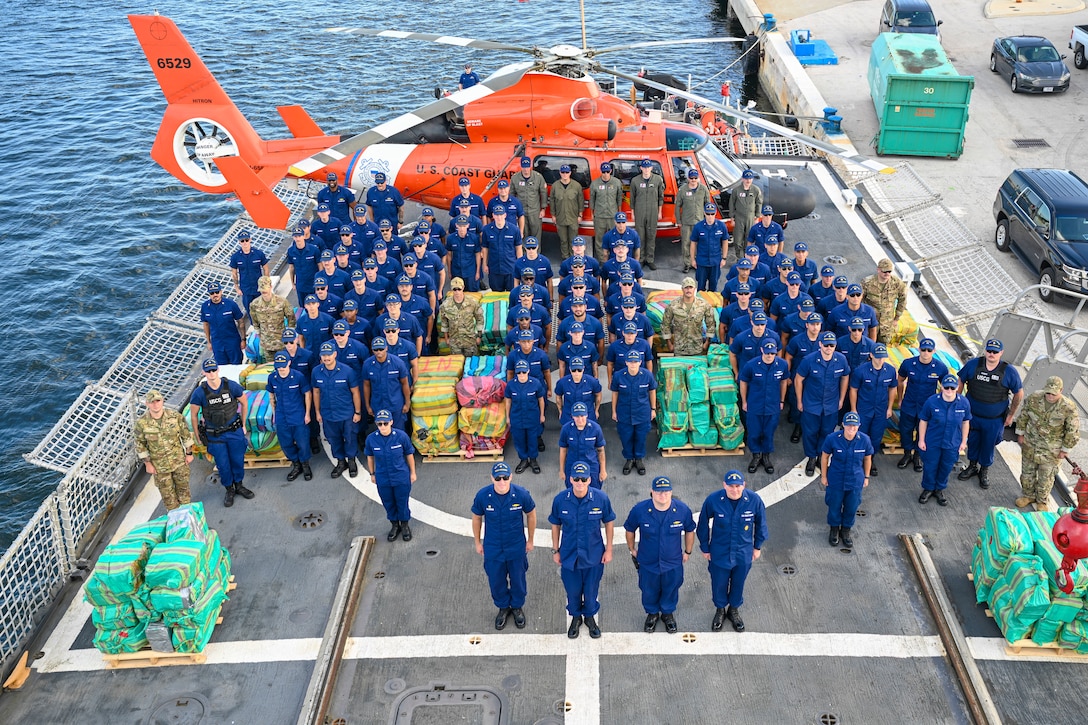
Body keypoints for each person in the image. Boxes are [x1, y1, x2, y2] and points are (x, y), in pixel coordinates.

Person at [549, 462, 616, 639]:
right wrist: (555, 550)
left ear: (589, 480)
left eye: (583, 479)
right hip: (569, 556)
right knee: (572, 590)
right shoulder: (560, 500)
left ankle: (590, 617)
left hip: (593, 555)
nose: (580, 482)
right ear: (570, 479)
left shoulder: (601, 498)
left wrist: (609, 549)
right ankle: (576, 617)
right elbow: (555, 525)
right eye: (576, 479)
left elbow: (609, 522)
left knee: (591, 589)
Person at [697, 470, 767, 633]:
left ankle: (733, 610)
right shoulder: (713, 500)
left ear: (744, 485)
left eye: (738, 486)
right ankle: (720, 610)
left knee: (738, 583)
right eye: (730, 486)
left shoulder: (754, 500)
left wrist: (757, 547)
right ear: (724, 485)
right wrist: (705, 548)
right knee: (719, 584)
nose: (734, 490)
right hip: (719, 553)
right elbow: (702, 524)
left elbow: (761, 524)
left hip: (743, 553)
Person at [624, 475, 696, 634]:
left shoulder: (682, 510)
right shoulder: (640, 510)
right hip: (648, 562)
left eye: (666, 491)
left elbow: (690, 529)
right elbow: (630, 529)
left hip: (673, 563)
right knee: (648, 589)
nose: (662, 495)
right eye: (658, 492)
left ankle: (667, 614)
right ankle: (652, 614)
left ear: (671, 492)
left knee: (671, 588)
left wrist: (688, 551)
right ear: (652, 492)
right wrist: (632, 549)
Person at [472, 462, 537, 630]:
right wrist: (477, 542)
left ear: (511, 477)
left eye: (505, 477)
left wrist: (530, 539)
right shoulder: (483, 496)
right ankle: (502, 607)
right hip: (493, 547)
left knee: (518, 579)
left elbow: (531, 514)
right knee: (496, 580)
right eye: (498, 478)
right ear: (492, 478)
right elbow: (477, 518)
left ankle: (517, 607)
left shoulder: (521, 494)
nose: (502, 482)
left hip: (516, 546)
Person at [957, 338, 1024, 490]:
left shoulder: (1009, 371)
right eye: (989, 351)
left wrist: (1011, 415)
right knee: (972, 441)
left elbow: (1018, 393)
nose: (991, 354)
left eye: (995, 352)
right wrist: (958, 405)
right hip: (972, 416)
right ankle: (972, 466)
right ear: (985, 351)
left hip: (994, 419)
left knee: (988, 444)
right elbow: (960, 381)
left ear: (1001, 353)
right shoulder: (973, 364)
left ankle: (984, 470)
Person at [189, 359, 253, 507]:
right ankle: (229, 489)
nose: (211, 373)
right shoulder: (199, 393)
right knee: (223, 465)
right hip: (215, 436)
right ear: (204, 373)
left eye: (213, 370)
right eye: (208, 371)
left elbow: (244, 403)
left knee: (237, 460)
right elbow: (194, 415)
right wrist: (197, 435)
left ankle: (239, 485)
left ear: (218, 370)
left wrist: (243, 424)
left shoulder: (230, 386)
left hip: (234, 431)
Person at [1015, 376, 1080, 510]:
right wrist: (1020, 433)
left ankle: (1042, 500)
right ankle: (1028, 495)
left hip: (1051, 450)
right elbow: (1024, 416)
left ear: (1061, 390)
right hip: (1031, 444)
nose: (1050, 396)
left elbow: (1072, 431)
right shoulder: (1034, 398)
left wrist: (1065, 449)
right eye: (1048, 393)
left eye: (1053, 393)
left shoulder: (1068, 407)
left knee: (1046, 477)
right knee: (1027, 473)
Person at [794, 332, 850, 476]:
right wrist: (800, 401)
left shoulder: (841, 360)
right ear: (820, 344)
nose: (828, 348)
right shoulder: (809, 360)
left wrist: (841, 399)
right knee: (810, 433)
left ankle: (821, 456)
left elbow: (845, 377)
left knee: (827, 433)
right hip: (811, 405)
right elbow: (798, 379)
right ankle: (811, 458)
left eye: (832, 345)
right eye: (826, 345)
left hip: (830, 406)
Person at [134, 389, 194, 511]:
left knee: (184, 494)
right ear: (147, 404)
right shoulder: (142, 423)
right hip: (160, 467)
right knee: (169, 499)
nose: (155, 404)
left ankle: (187, 522)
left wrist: (189, 453)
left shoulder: (175, 417)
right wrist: (148, 464)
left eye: (158, 401)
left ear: (163, 401)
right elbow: (140, 445)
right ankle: (175, 524)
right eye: (152, 402)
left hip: (179, 462)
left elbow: (186, 436)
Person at [918, 374, 972, 506]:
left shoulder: (964, 403)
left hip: (952, 442)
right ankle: (928, 488)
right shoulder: (931, 402)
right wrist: (921, 440)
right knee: (930, 466)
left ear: (957, 388)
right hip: (933, 441)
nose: (949, 391)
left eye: (952, 388)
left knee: (946, 466)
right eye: (946, 388)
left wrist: (964, 441)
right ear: (941, 387)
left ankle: (939, 489)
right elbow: (923, 421)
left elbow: (965, 422)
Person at [821, 412, 873, 548]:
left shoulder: (865, 440)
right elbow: (825, 457)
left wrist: (866, 477)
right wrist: (824, 476)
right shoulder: (832, 439)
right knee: (834, 506)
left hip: (855, 481)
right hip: (836, 480)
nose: (851, 428)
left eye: (854, 426)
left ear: (859, 426)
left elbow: (868, 459)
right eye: (849, 425)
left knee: (851, 507)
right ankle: (834, 530)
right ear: (843, 425)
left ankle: (846, 531)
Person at [896, 338, 948, 472]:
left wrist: (940, 405)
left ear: (934, 351)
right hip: (909, 404)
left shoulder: (940, 368)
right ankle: (907, 454)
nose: (926, 353)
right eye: (923, 349)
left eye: (929, 350)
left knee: (923, 432)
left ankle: (918, 456)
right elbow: (900, 380)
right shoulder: (908, 364)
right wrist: (900, 399)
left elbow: (946, 387)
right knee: (905, 430)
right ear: (919, 349)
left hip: (927, 407)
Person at [312, 341, 362, 478]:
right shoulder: (316, 372)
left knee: (350, 438)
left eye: (329, 355)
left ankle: (351, 461)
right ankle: (341, 462)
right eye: (323, 355)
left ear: (335, 354)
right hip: (328, 414)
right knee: (333, 439)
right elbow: (316, 392)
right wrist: (317, 411)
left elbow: (355, 392)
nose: (326, 358)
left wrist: (357, 412)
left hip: (346, 413)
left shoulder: (347, 371)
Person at [739, 339, 790, 475]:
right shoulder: (751, 365)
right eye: (767, 353)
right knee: (754, 432)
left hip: (772, 406)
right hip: (755, 405)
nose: (769, 356)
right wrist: (744, 401)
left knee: (769, 432)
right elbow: (743, 382)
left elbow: (783, 382)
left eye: (772, 353)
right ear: (762, 350)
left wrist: (782, 401)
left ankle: (766, 456)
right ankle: (756, 455)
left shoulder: (782, 365)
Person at [365, 409, 417, 541]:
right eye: (379, 424)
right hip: (383, 478)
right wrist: (372, 474)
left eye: (385, 423)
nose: (383, 426)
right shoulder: (371, 439)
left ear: (391, 422)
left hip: (400, 476)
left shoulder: (401, 436)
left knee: (402, 502)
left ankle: (404, 525)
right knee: (388, 502)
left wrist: (413, 473)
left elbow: (409, 454)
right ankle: (395, 525)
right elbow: (370, 457)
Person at [848, 343, 897, 476]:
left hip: (880, 410)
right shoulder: (860, 371)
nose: (881, 360)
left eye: (883, 357)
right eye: (878, 357)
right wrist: (853, 409)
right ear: (871, 355)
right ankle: (857, 460)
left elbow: (892, 388)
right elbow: (853, 389)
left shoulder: (891, 371)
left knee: (876, 437)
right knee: (860, 435)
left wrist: (890, 407)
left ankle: (870, 459)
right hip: (864, 409)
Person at [266, 351, 313, 482]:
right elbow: (271, 395)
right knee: (285, 443)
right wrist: (275, 413)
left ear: (289, 363)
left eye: (283, 365)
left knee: (303, 443)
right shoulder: (272, 378)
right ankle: (296, 464)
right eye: (278, 366)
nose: (281, 368)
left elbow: (307, 394)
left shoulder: (298, 376)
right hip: (282, 415)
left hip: (297, 414)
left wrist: (307, 413)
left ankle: (305, 464)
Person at [611, 350, 657, 476]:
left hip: (642, 412)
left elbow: (652, 391)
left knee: (640, 437)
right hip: (624, 413)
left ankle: (639, 459)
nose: (633, 364)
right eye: (630, 361)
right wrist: (614, 411)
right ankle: (629, 459)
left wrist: (653, 409)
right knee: (626, 437)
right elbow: (615, 393)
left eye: (635, 361)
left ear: (640, 362)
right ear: (626, 362)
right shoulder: (618, 376)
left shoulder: (647, 375)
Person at [361, 337, 412, 432]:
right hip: (378, 405)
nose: (379, 351)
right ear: (372, 350)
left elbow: (405, 383)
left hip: (396, 405)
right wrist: (368, 405)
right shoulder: (367, 364)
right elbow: (366, 385)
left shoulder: (398, 363)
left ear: (386, 348)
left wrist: (407, 402)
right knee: (382, 432)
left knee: (398, 431)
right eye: (376, 349)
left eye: (381, 349)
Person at [506, 360, 547, 475]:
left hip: (532, 417)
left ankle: (533, 460)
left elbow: (541, 400)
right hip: (517, 418)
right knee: (519, 440)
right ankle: (523, 460)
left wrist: (542, 414)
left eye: (524, 372)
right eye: (519, 372)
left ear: (528, 371)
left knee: (532, 440)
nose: (522, 375)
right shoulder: (511, 384)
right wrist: (507, 417)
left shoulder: (536, 383)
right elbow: (508, 401)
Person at [661, 277, 717, 356]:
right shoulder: (673, 305)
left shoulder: (703, 304)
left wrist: (707, 342)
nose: (688, 290)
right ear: (682, 289)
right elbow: (665, 324)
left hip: (697, 347)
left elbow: (711, 324)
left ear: (694, 289)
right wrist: (669, 343)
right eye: (686, 287)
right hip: (680, 347)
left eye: (690, 287)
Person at [558, 402, 608, 489]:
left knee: (594, 489)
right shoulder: (566, 429)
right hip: (572, 464)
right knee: (572, 489)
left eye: (582, 416)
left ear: (587, 415)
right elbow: (563, 450)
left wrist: (603, 470)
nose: (580, 419)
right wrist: (562, 470)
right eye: (577, 416)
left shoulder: (595, 428)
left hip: (591, 464)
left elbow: (601, 450)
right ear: (572, 416)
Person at [861, 258, 908, 345]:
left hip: (886, 325)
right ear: (878, 270)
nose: (887, 274)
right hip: (870, 322)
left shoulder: (897, 283)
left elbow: (903, 299)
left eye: (889, 271)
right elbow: (859, 300)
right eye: (884, 271)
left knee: (882, 350)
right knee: (867, 345)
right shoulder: (867, 282)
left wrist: (896, 318)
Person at [628, 159, 665, 270]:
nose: (646, 169)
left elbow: (660, 197)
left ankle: (650, 259)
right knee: (640, 236)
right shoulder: (635, 181)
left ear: (651, 168)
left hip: (653, 211)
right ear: (641, 168)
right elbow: (632, 198)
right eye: (644, 167)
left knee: (651, 235)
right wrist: (633, 213)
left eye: (648, 167)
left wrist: (660, 212)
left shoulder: (658, 180)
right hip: (639, 211)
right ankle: (641, 259)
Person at [249, 277, 295, 360]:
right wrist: (260, 336)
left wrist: (289, 336)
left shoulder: (282, 302)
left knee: (284, 365)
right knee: (270, 367)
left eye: (265, 290)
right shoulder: (255, 304)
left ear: (271, 287)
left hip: (281, 342)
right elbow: (255, 322)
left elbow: (291, 318)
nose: (264, 293)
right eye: (262, 291)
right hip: (267, 345)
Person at [200, 281, 245, 365]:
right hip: (217, 343)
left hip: (232, 341)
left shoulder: (231, 304)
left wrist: (243, 339)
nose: (215, 295)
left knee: (236, 365)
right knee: (221, 367)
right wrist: (209, 342)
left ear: (221, 292)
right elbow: (206, 324)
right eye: (212, 293)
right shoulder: (205, 307)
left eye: (217, 292)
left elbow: (240, 321)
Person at [676, 169, 712, 272]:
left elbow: (707, 205)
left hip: (700, 222)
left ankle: (697, 263)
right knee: (686, 244)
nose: (693, 180)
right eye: (691, 178)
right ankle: (687, 264)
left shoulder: (704, 189)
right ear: (688, 178)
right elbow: (677, 206)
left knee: (700, 244)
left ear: (698, 178)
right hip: (686, 222)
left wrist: (708, 220)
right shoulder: (682, 190)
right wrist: (679, 221)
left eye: (695, 178)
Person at [481, 205, 523, 292]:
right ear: (493, 215)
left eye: (501, 214)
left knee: (512, 295)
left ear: (505, 215)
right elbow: (485, 248)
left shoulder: (514, 230)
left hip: (510, 269)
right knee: (496, 296)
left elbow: (519, 248)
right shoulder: (487, 230)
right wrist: (484, 264)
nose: (499, 217)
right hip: (494, 269)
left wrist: (520, 265)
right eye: (497, 215)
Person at [690, 203, 730, 292]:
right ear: (704, 213)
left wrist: (724, 258)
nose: (710, 216)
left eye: (712, 214)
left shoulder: (721, 226)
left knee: (713, 289)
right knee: (700, 288)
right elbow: (693, 243)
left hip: (715, 262)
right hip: (702, 262)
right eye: (708, 214)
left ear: (715, 213)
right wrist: (692, 259)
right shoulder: (698, 227)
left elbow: (725, 241)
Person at [589, 163, 624, 263]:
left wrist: (619, 213)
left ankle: (614, 259)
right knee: (599, 240)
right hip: (599, 216)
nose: (605, 174)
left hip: (612, 215)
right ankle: (602, 261)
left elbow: (619, 199)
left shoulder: (616, 182)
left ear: (611, 171)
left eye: (607, 172)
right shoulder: (595, 184)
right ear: (601, 171)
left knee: (614, 238)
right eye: (603, 172)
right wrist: (592, 214)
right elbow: (592, 200)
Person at [229, 229, 269, 314]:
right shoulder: (235, 257)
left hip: (259, 287)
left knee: (263, 309)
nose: (245, 242)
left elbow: (266, 268)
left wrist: (266, 283)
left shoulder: (259, 254)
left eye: (246, 240)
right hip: (246, 289)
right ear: (239, 242)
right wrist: (237, 287)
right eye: (242, 241)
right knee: (250, 311)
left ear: (250, 240)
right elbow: (234, 273)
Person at [439, 277, 482, 355]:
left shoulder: (472, 303)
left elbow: (479, 319)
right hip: (455, 341)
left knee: (471, 364)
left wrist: (479, 336)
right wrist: (446, 338)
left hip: (470, 340)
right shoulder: (445, 305)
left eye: (459, 289)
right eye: (454, 289)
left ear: (463, 288)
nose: (457, 292)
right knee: (457, 363)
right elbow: (444, 323)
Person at [549, 164, 584, 259]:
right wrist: (553, 215)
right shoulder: (555, 186)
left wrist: (580, 214)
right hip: (560, 217)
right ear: (560, 173)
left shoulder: (576, 186)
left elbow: (580, 200)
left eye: (567, 172)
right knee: (563, 240)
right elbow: (552, 201)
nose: (565, 174)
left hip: (573, 217)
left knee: (574, 240)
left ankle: (574, 259)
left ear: (570, 173)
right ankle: (565, 259)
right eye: (563, 172)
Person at [512, 156, 548, 240]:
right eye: (524, 167)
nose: (526, 169)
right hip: (521, 211)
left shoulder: (538, 177)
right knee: (523, 234)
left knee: (536, 235)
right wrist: (514, 211)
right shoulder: (515, 178)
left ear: (530, 166)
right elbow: (512, 194)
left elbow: (543, 192)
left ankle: (537, 252)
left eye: (527, 167)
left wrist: (543, 209)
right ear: (521, 166)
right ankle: (525, 252)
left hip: (535, 211)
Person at [727, 169, 762, 254]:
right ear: (742, 179)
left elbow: (759, 203)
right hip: (739, 217)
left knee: (749, 238)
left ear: (752, 179)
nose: (748, 180)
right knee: (738, 239)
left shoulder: (756, 190)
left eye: (750, 178)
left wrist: (757, 217)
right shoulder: (736, 190)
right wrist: (732, 218)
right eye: (746, 178)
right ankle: (739, 257)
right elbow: (732, 204)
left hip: (750, 217)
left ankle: (747, 256)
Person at [446, 215, 483, 292]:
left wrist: (477, 272)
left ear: (468, 225)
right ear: (456, 225)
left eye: (464, 226)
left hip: (471, 272)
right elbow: (449, 255)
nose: (462, 228)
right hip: (456, 272)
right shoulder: (450, 238)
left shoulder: (474, 238)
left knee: (473, 296)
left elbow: (478, 255)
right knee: (457, 294)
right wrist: (449, 271)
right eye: (460, 226)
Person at [286, 225, 321, 303]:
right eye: (295, 236)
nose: (297, 238)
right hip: (301, 285)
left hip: (313, 283)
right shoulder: (291, 251)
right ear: (293, 237)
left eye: (299, 236)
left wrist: (320, 281)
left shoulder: (314, 250)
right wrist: (292, 283)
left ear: (303, 236)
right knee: (303, 306)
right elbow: (291, 268)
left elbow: (320, 265)